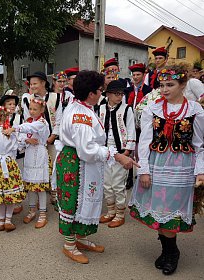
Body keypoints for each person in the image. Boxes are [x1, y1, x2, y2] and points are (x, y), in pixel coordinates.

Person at [129, 65, 204, 275]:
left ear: (183, 85)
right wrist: (144, 170)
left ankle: (172, 253)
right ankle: (167, 250)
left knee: (171, 216)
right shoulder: (152, 108)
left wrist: (200, 170)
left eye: (170, 85)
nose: (164, 89)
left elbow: (200, 145)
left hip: (182, 169)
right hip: (156, 166)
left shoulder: (195, 111)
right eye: (161, 85)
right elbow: (144, 142)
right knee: (159, 214)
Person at [56, 70, 136, 264]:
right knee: (74, 203)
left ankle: (80, 238)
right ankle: (69, 245)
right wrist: (116, 155)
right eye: (100, 90)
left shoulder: (82, 105)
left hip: (80, 162)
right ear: (91, 93)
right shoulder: (80, 116)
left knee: (86, 201)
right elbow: (87, 149)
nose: (102, 93)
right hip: (76, 163)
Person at [5, 97, 51, 228]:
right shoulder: (29, 121)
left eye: (35, 109)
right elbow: (23, 137)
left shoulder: (42, 122)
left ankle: (42, 214)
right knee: (31, 186)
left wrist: (14, 128)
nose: (31, 111)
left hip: (40, 154)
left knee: (40, 187)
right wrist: (26, 140)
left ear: (42, 110)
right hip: (30, 155)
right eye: (30, 109)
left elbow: (29, 128)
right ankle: (32, 211)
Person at [98, 80, 136, 228]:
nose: (119, 96)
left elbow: (131, 130)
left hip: (121, 150)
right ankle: (110, 211)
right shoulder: (100, 108)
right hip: (105, 151)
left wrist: (127, 151)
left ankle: (120, 213)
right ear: (108, 94)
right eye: (116, 94)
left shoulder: (127, 109)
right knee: (107, 183)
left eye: (121, 94)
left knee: (118, 183)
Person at [21, 71, 62, 207]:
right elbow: (27, 121)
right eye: (31, 84)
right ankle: (38, 197)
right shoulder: (27, 99)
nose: (32, 86)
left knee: (54, 166)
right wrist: (29, 139)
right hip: (36, 142)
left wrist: (52, 136)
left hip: (52, 139)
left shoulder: (56, 97)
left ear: (44, 83)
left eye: (35, 83)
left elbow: (59, 119)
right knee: (37, 167)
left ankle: (54, 195)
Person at [0, 106, 26, 231]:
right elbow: (17, 148)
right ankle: (8, 219)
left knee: (0, 194)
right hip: (9, 164)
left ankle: (1, 220)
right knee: (10, 193)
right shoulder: (11, 133)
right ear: (7, 117)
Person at [0, 93, 25, 214]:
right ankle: (6, 199)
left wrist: (18, 142)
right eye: (9, 104)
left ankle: (18, 201)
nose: (12, 106)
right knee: (6, 176)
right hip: (4, 153)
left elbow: (22, 133)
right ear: (3, 106)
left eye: (14, 104)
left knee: (17, 175)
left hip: (16, 152)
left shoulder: (19, 118)